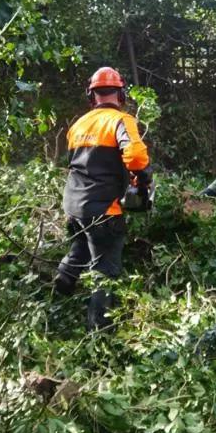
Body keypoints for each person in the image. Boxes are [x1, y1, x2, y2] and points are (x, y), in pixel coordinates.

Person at [54, 66, 153, 330]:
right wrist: (143, 178)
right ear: (121, 94)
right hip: (103, 209)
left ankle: (65, 276)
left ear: (91, 95)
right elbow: (135, 157)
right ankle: (99, 332)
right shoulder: (120, 120)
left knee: (82, 244)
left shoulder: (78, 125)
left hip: (74, 204)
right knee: (105, 270)